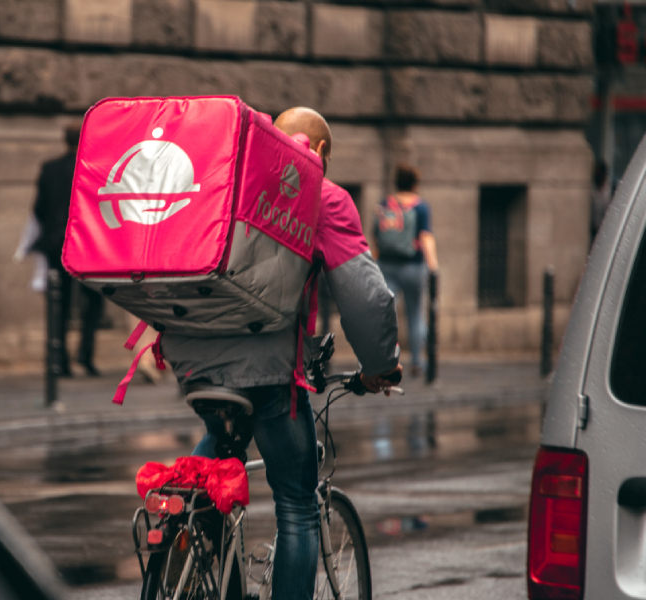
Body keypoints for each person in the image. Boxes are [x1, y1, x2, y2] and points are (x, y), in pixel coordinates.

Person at [162, 107, 402, 600]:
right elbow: (366, 296)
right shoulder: (319, 192)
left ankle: (188, 522)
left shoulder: (227, 175)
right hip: (268, 370)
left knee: (216, 458)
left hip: (191, 358)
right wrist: (380, 367)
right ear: (320, 153)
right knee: (296, 503)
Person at [32, 123, 104, 377]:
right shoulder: (95, 169)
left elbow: (39, 208)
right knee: (92, 304)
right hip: (89, 246)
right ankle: (86, 355)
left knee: (58, 304)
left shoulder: (50, 169)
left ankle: (59, 359)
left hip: (58, 245)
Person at [372, 164, 439, 378]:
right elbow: (425, 237)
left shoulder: (385, 204)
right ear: (414, 184)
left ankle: (383, 360)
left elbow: (375, 234)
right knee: (415, 314)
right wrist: (433, 266)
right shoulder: (420, 207)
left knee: (386, 314)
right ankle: (418, 362)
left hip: (386, 265)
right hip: (413, 266)